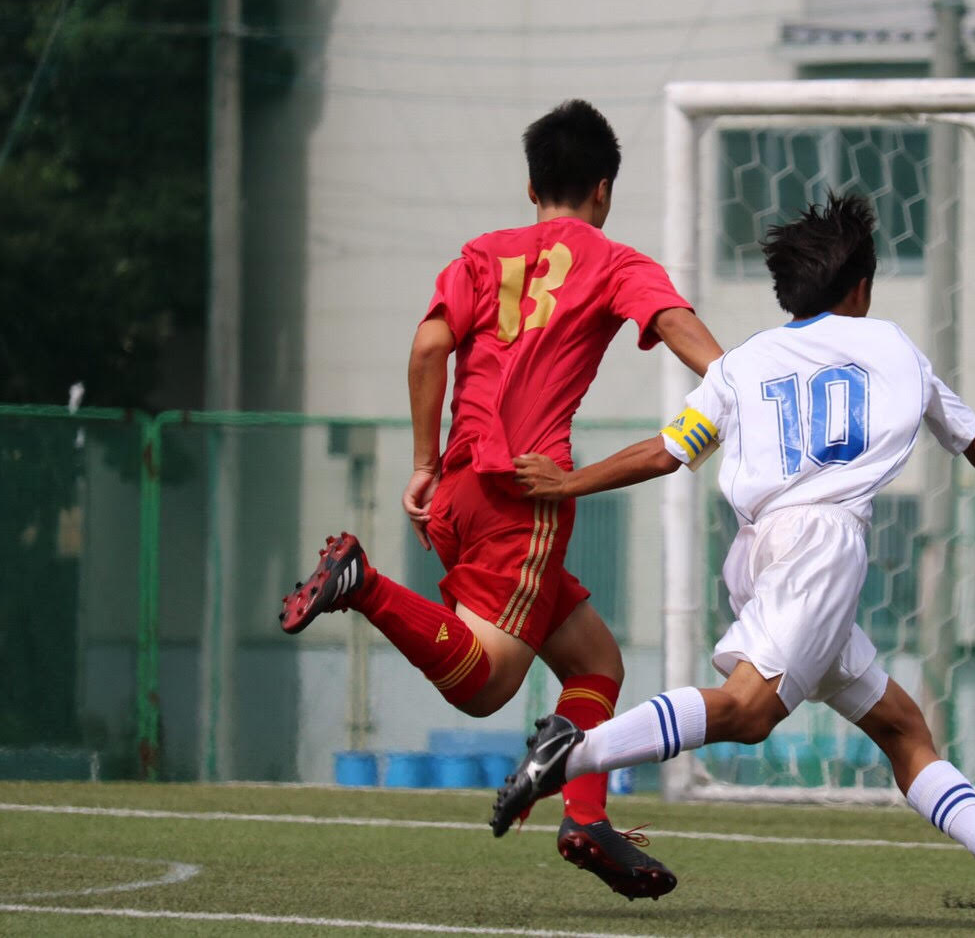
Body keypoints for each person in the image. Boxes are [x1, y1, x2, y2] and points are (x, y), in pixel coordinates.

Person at [495, 192, 975, 914]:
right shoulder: (893, 346)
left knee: (903, 730)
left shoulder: (745, 362)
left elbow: (665, 452)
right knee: (748, 714)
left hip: (756, 553)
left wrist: (570, 480)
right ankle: (575, 751)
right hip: (822, 546)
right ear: (861, 286)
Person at [278, 99, 723, 899]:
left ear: (530, 186)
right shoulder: (617, 261)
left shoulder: (481, 255)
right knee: (487, 687)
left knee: (595, 663)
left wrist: (422, 461)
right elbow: (695, 344)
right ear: (603, 189)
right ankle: (364, 584)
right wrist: (740, 388)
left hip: (453, 488)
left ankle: (586, 818)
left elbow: (428, 347)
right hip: (528, 491)